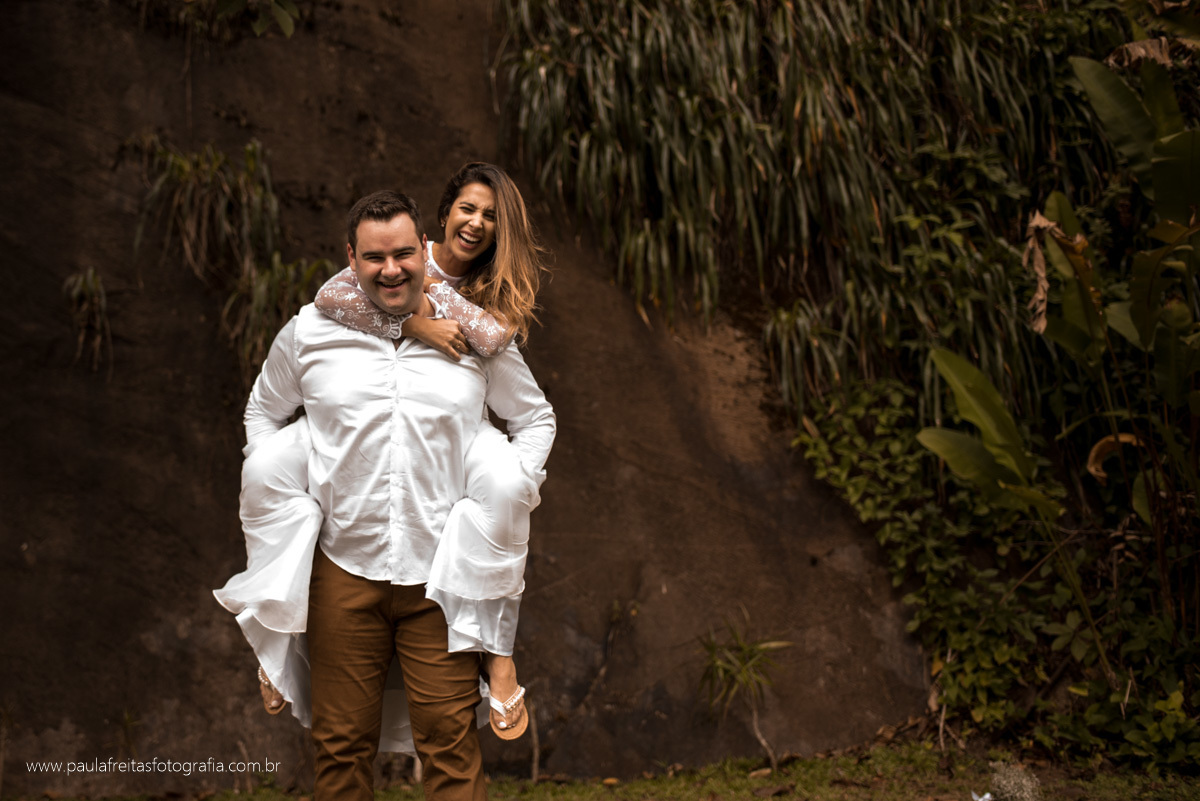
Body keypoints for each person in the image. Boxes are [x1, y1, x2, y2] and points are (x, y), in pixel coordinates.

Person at [220, 190, 555, 800]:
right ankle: (271, 640)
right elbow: (262, 415)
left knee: (450, 747)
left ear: (423, 250)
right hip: (344, 571)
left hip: (439, 579)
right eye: (375, 257)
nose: (392, 268)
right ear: (351, 257)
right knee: (341, 747)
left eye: (404, 253)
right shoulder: (308, 333)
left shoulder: (468, 336)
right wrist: (287, 492)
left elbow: (534, 420)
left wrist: (507, 493)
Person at [310, 163, 547, 738]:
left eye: (491, 216)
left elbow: (492, 340)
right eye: (468, 208)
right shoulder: (398, 254)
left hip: (460, 433)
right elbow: (330, 297)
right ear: (441, 216)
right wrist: (414, 325)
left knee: (506, 500)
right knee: (287, 483)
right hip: (380, 426)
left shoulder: (491, 288)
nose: (476, 222)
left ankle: (498, 655)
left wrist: (434, 301)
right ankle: (273, 639)